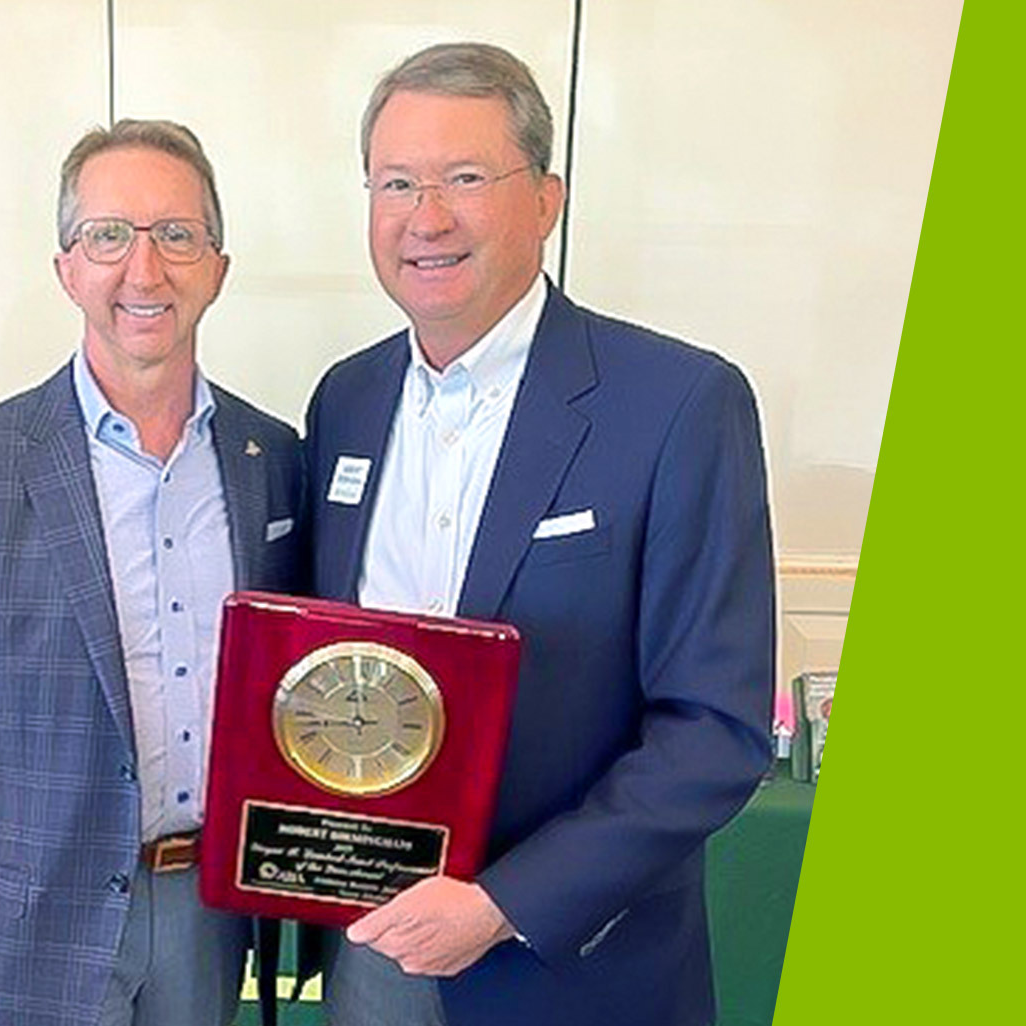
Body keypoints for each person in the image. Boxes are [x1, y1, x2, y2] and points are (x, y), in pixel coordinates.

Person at [303, 43, 775, 1025]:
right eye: (396, 183)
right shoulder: (343, 402)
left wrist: (499, 908)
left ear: (548, 198)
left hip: (568, 971)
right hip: (369, 954)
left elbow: (712, 731)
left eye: (464, 178)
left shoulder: (678, 403)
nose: (425, 217)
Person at [0, 119, 304, 1026]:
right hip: (34, 931)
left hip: (210, 915)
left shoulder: (273, 458)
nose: (143, 272)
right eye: (109, 236)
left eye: (176, 236)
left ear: (218, 268)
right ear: (67, 267)